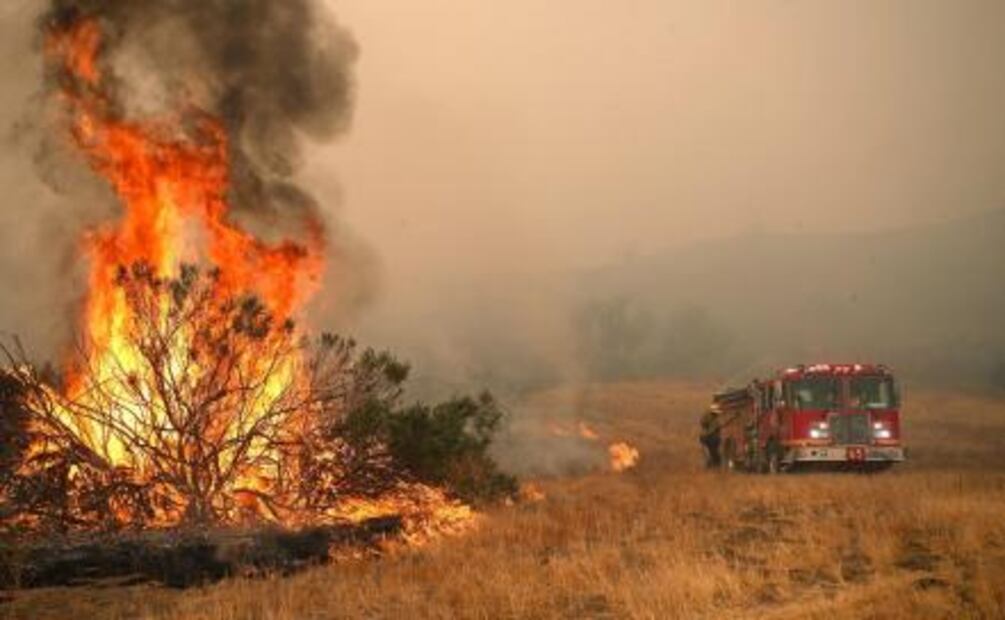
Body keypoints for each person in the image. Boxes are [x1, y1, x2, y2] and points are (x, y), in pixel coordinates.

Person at [699, 404, 722, 468]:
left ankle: (713, 464)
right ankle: (713, 464)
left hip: (710, 437)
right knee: (711, 452)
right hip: (709, 437)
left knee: (712, 452)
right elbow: (704, 424)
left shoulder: (711, 417)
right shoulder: (709, 417)